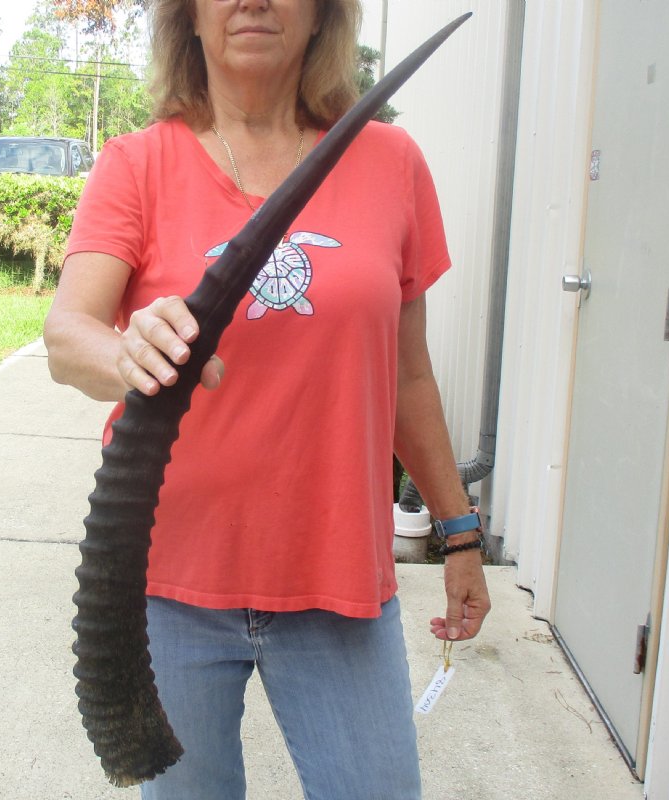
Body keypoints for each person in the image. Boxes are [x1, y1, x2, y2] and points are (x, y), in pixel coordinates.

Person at [43, 0, 491, 797]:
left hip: (338, 581)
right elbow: (68, 337)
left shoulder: (390, 162)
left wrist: (459, 534)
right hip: (172, 583)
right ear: (189, 16)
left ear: (322, 15)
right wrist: (126, 352)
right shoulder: (137, 163)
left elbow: (409, 375)